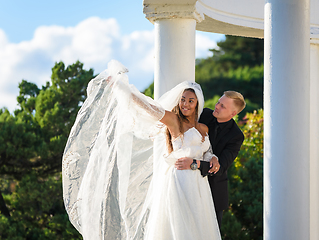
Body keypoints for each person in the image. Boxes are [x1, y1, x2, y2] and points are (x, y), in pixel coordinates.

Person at [62, 60, 221, 240]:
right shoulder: (174, 121)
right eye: (183, 100)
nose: (185, 104)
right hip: (180, 180)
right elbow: (150, 108)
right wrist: (123, 89)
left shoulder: (203, 128)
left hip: (198, 183)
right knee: (179, 226)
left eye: (190, 101)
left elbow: (205, 152)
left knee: (197, 225)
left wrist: (213, 157)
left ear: (197, 103)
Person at [175, 91, 246, 228]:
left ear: (233, 114)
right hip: (187, 183)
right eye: (219, 102)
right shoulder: (205, 114)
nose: (217, 106)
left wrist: (194, 164)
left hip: (214, 192)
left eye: (223, 106)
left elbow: (221, 168)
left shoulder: (236, 136)